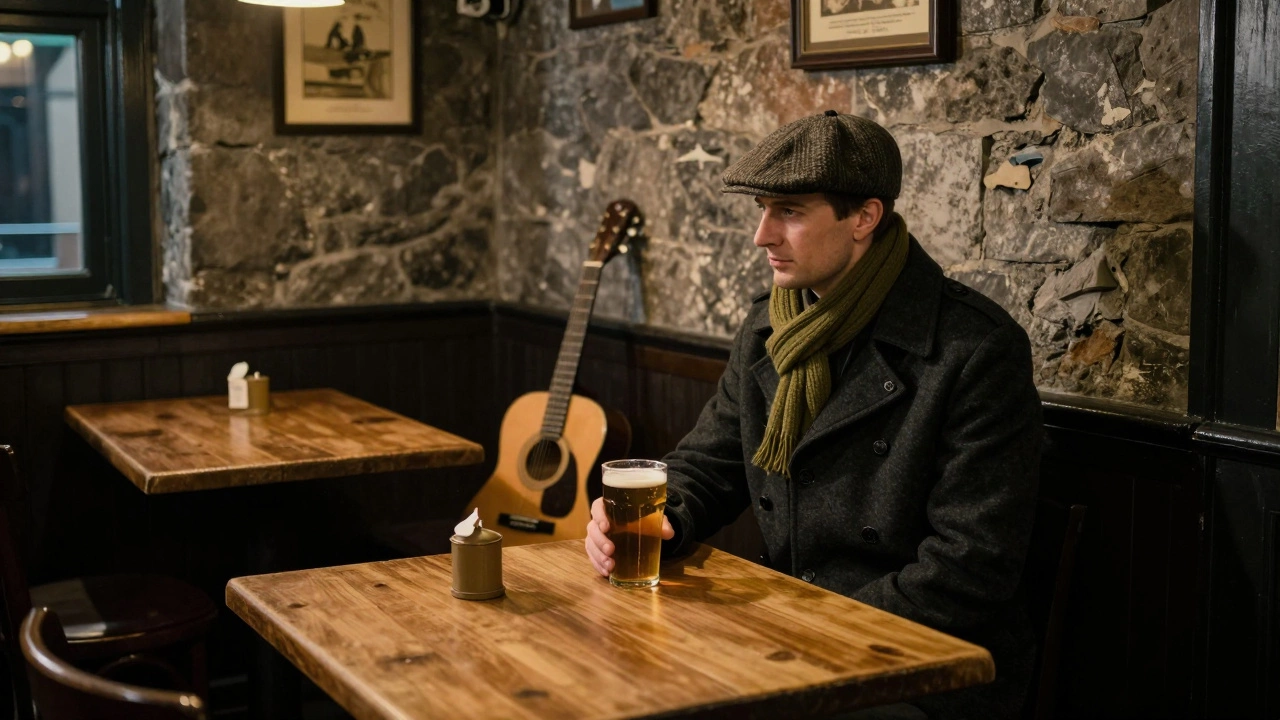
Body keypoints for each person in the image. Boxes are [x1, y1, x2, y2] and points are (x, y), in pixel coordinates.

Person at [583, 110, 1042, 720]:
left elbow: (969, 567)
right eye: (762, 209)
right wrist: (659, 520)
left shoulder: (973, 347)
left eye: (790, 212)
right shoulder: (769, 326)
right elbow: (710, 462)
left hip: (922, 666)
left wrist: (810, 628)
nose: (762, 236)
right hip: (792, 629)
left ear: (865, 217)